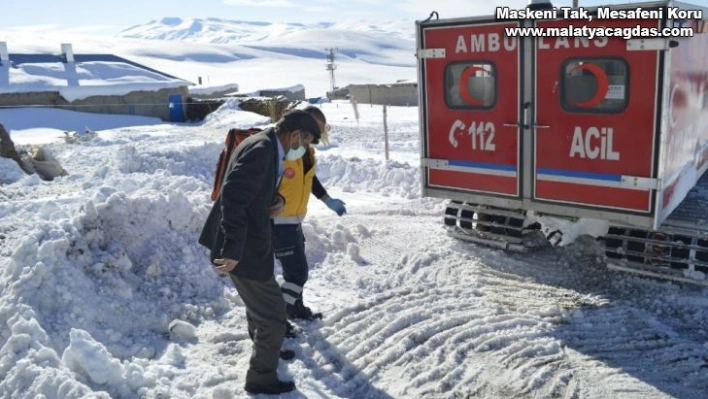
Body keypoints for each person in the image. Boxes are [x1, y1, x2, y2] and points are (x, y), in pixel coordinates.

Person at [198, 109, 321, 395]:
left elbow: (253, 189)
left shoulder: (266, 144)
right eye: (306, 142)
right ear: (294, 135)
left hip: (252, 242)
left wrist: (273, 200)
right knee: (274, 316)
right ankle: (261, 378)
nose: (304, 149)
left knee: (261, 307)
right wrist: (232, 248)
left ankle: (268, 351)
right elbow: (233, 196)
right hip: (242, 248)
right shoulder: (263, 149)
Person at [274, 105, 346, 322]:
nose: (316, 139)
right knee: (298, 273)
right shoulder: (283, 150)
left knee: (294, 273)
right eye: (315, 133)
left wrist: (328, 200)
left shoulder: (307, 152)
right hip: (278, 223)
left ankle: (295, 307)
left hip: (294, 220)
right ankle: (278, 318)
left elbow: (309, 179)